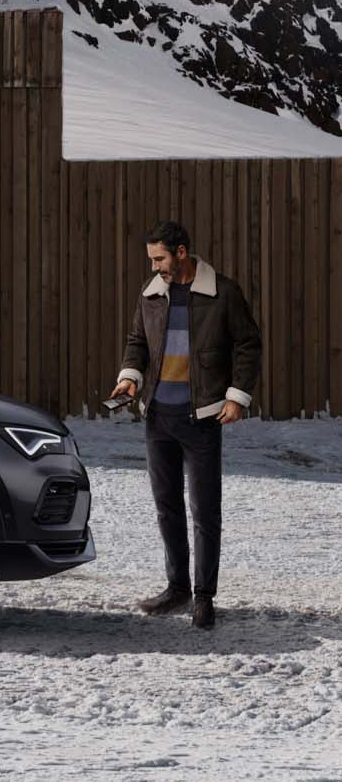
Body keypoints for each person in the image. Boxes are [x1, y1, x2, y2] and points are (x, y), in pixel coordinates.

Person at [108, 219, 261, 629]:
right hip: (158, 415)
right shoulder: (152, 292)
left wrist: (237, 396)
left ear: (180, 253)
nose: (154, 266)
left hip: (203, 416)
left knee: (205, 511)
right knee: (167, 507)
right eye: (151, 259)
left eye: (159, 258)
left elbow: (248, 344)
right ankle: (177, 587)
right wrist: (130, 377)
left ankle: (203, 596)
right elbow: (137, 341)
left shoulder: (223, 293)